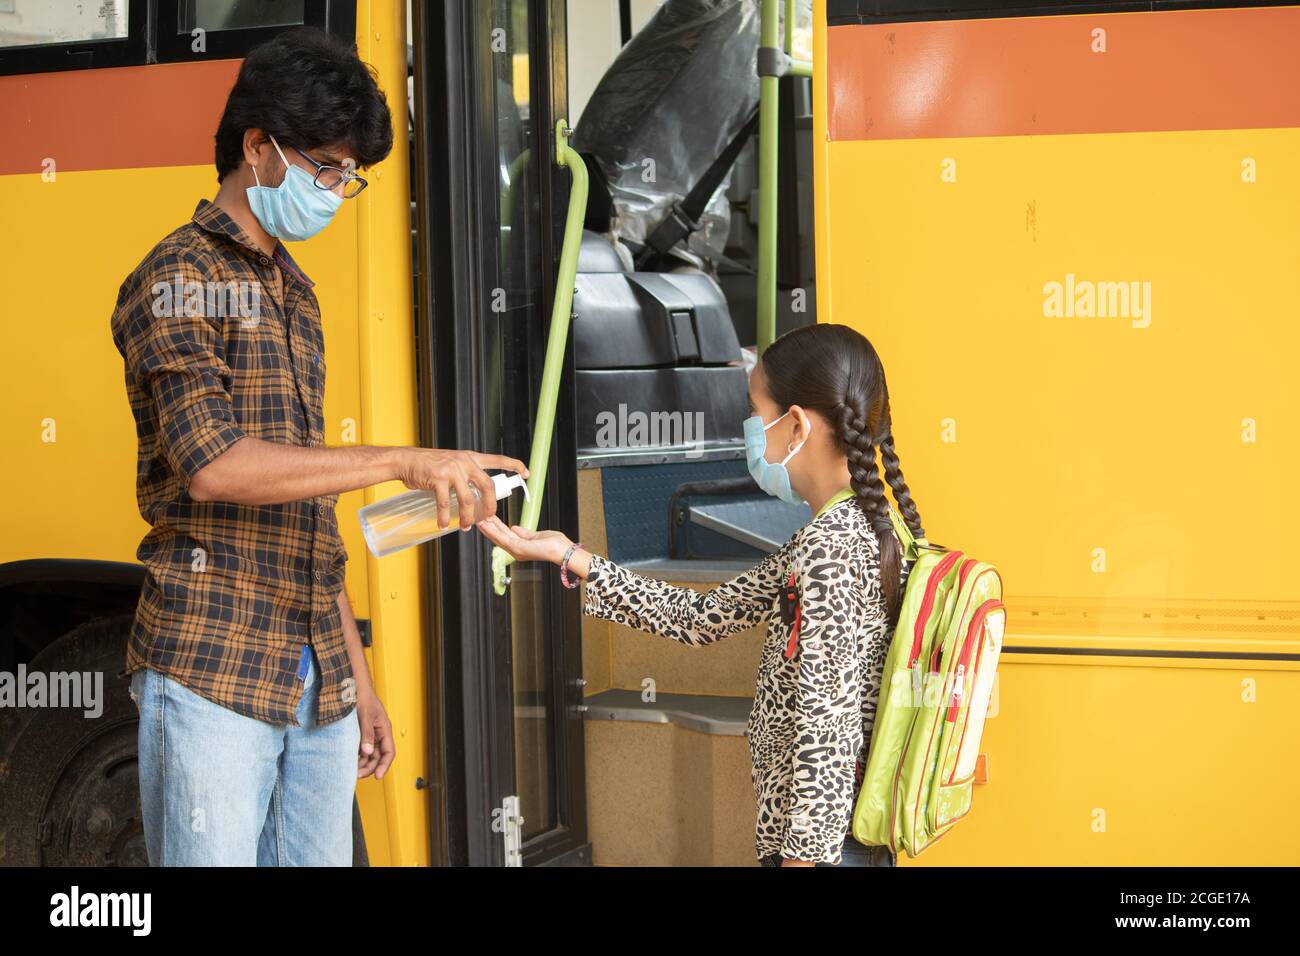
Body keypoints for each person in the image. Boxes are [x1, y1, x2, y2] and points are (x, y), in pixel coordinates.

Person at [110, 27, 527, 866]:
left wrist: (358, 684)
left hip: (318, 678)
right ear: (257, 148)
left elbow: (308, 503)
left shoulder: (295, 292)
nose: (338, 191)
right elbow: (215, 465)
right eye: (325, 168)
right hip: (212, 669)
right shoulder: (176, 277)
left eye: (349, 175)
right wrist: (405, 460)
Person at [479, 323, 922, 867]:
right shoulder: (859, 529)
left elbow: (826, 725)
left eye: (758, 413)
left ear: (798, 425)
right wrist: (568, 554)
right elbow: (702, 616)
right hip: (839, 842)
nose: (754, 432)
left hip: (825, 851)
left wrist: (803, 860)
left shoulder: (830, 550)